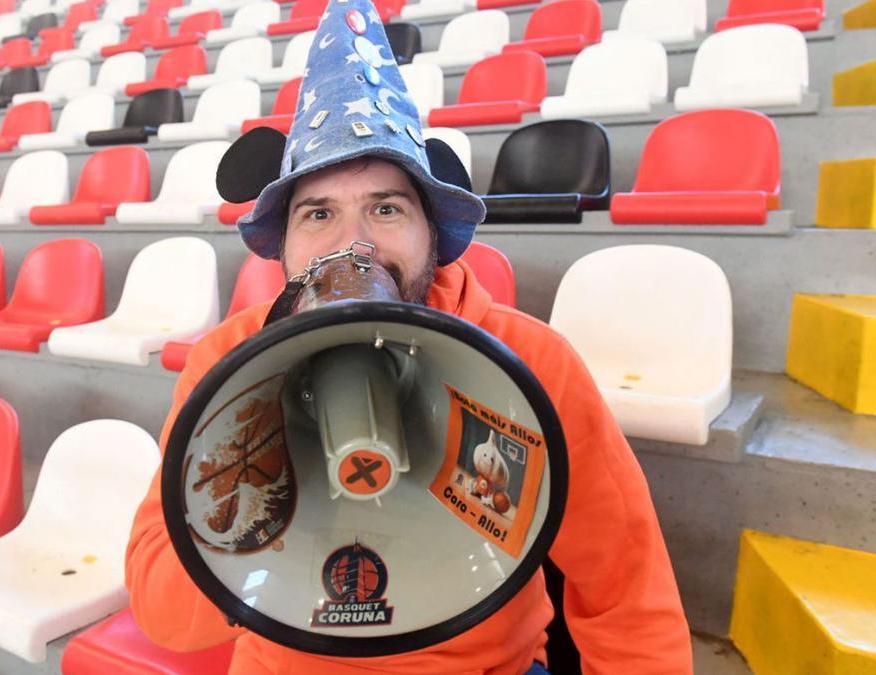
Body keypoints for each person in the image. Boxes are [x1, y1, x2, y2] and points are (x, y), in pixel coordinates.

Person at [126, 0, 693, 671]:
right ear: (282, 245)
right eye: (318, 212)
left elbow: (625, 588)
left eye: (386, 208)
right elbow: (164, 610)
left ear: (435, 236)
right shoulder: (226, 363)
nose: (353, 242)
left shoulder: (534, 362)